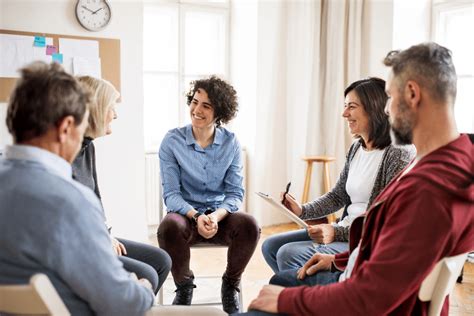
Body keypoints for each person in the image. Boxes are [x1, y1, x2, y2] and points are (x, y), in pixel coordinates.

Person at [239, 42, 473, 316]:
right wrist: (338, 260)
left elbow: (372, 298)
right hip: (355, 271)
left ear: (411, 93)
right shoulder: (450, 159)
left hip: (369, 301)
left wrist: (285, 301)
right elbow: (393, 256)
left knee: (277, 290)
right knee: (281, 279)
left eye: (390, 97)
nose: (387, 110)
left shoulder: (427, 190)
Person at [0, 62, 154, 315]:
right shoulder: (69, 202)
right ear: (65, 128)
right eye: (82, 125)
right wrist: (144, 287)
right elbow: (124, 303)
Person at [262, 77, 415, 274]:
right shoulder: (356, 148)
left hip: (366, 239)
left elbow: (384, 220)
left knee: (288, 254)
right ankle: (313, 291)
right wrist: (301, 210)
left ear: (375, 108)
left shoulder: (399, 152)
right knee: (271, 247)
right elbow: (338, 196)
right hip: (344, 229)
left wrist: (335, 232)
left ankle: (320, 296)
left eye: (351, 106)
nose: (344, 114)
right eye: (345, 106)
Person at [157, 75, 260, 314]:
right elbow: (171, 194)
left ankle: (230, 285)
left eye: (206, 105)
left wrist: (216, 217)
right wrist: (196, 216)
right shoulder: (172, 141)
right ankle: (184, 286)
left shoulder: (231, 143)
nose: (197, 110)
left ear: (220, 112)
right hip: (186, 217)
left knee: (249, 225)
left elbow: (235, 193)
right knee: (168, 226)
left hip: (219, 219)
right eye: (195, 102)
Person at [72, 75, 171, 294]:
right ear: (95, 109)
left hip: (96, 236)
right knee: (147, 274)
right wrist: (101, 239)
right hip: (81, 246)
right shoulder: (65, 152)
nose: (115, 115)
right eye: (111, 107)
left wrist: (106, 234)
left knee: (161, 260)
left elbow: (94, 202)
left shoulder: (88, 148)